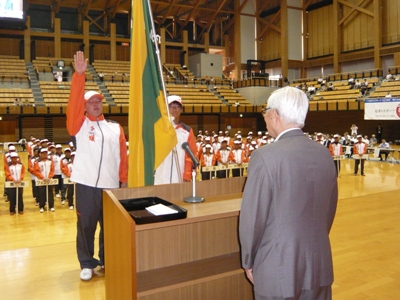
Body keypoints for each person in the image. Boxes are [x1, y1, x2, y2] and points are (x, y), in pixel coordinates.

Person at [239, 86, 338, 300]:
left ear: (275, 115)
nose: (265, 117)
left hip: (278, 266)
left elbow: (253, 218)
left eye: (266, 112)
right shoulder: (324, 154)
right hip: (319, 263)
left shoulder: (265, 156)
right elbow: (329, 211)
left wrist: (248, 260)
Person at [67, 51, 128, 281]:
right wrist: (79, 77)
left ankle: (106, 259)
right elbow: (73, 105)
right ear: (84, 106)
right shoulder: (79, 126)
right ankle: (86, 262)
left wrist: (123, 179)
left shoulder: (115, 128)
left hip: (111, 187)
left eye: (98, 101)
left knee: (109, 227)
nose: (95, 104)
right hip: (86, 186)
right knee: (86, 225)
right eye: (91, 101)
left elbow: (122, 156)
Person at [154, 95, 196, 184]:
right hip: (160, 177)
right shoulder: (158, 129)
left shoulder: (187, 131)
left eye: (177, 106)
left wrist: (187, 177)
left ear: (181, 109)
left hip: (178, 178)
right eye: (171, 106)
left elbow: (190, 156)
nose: (174, 109)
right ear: (166, 109)